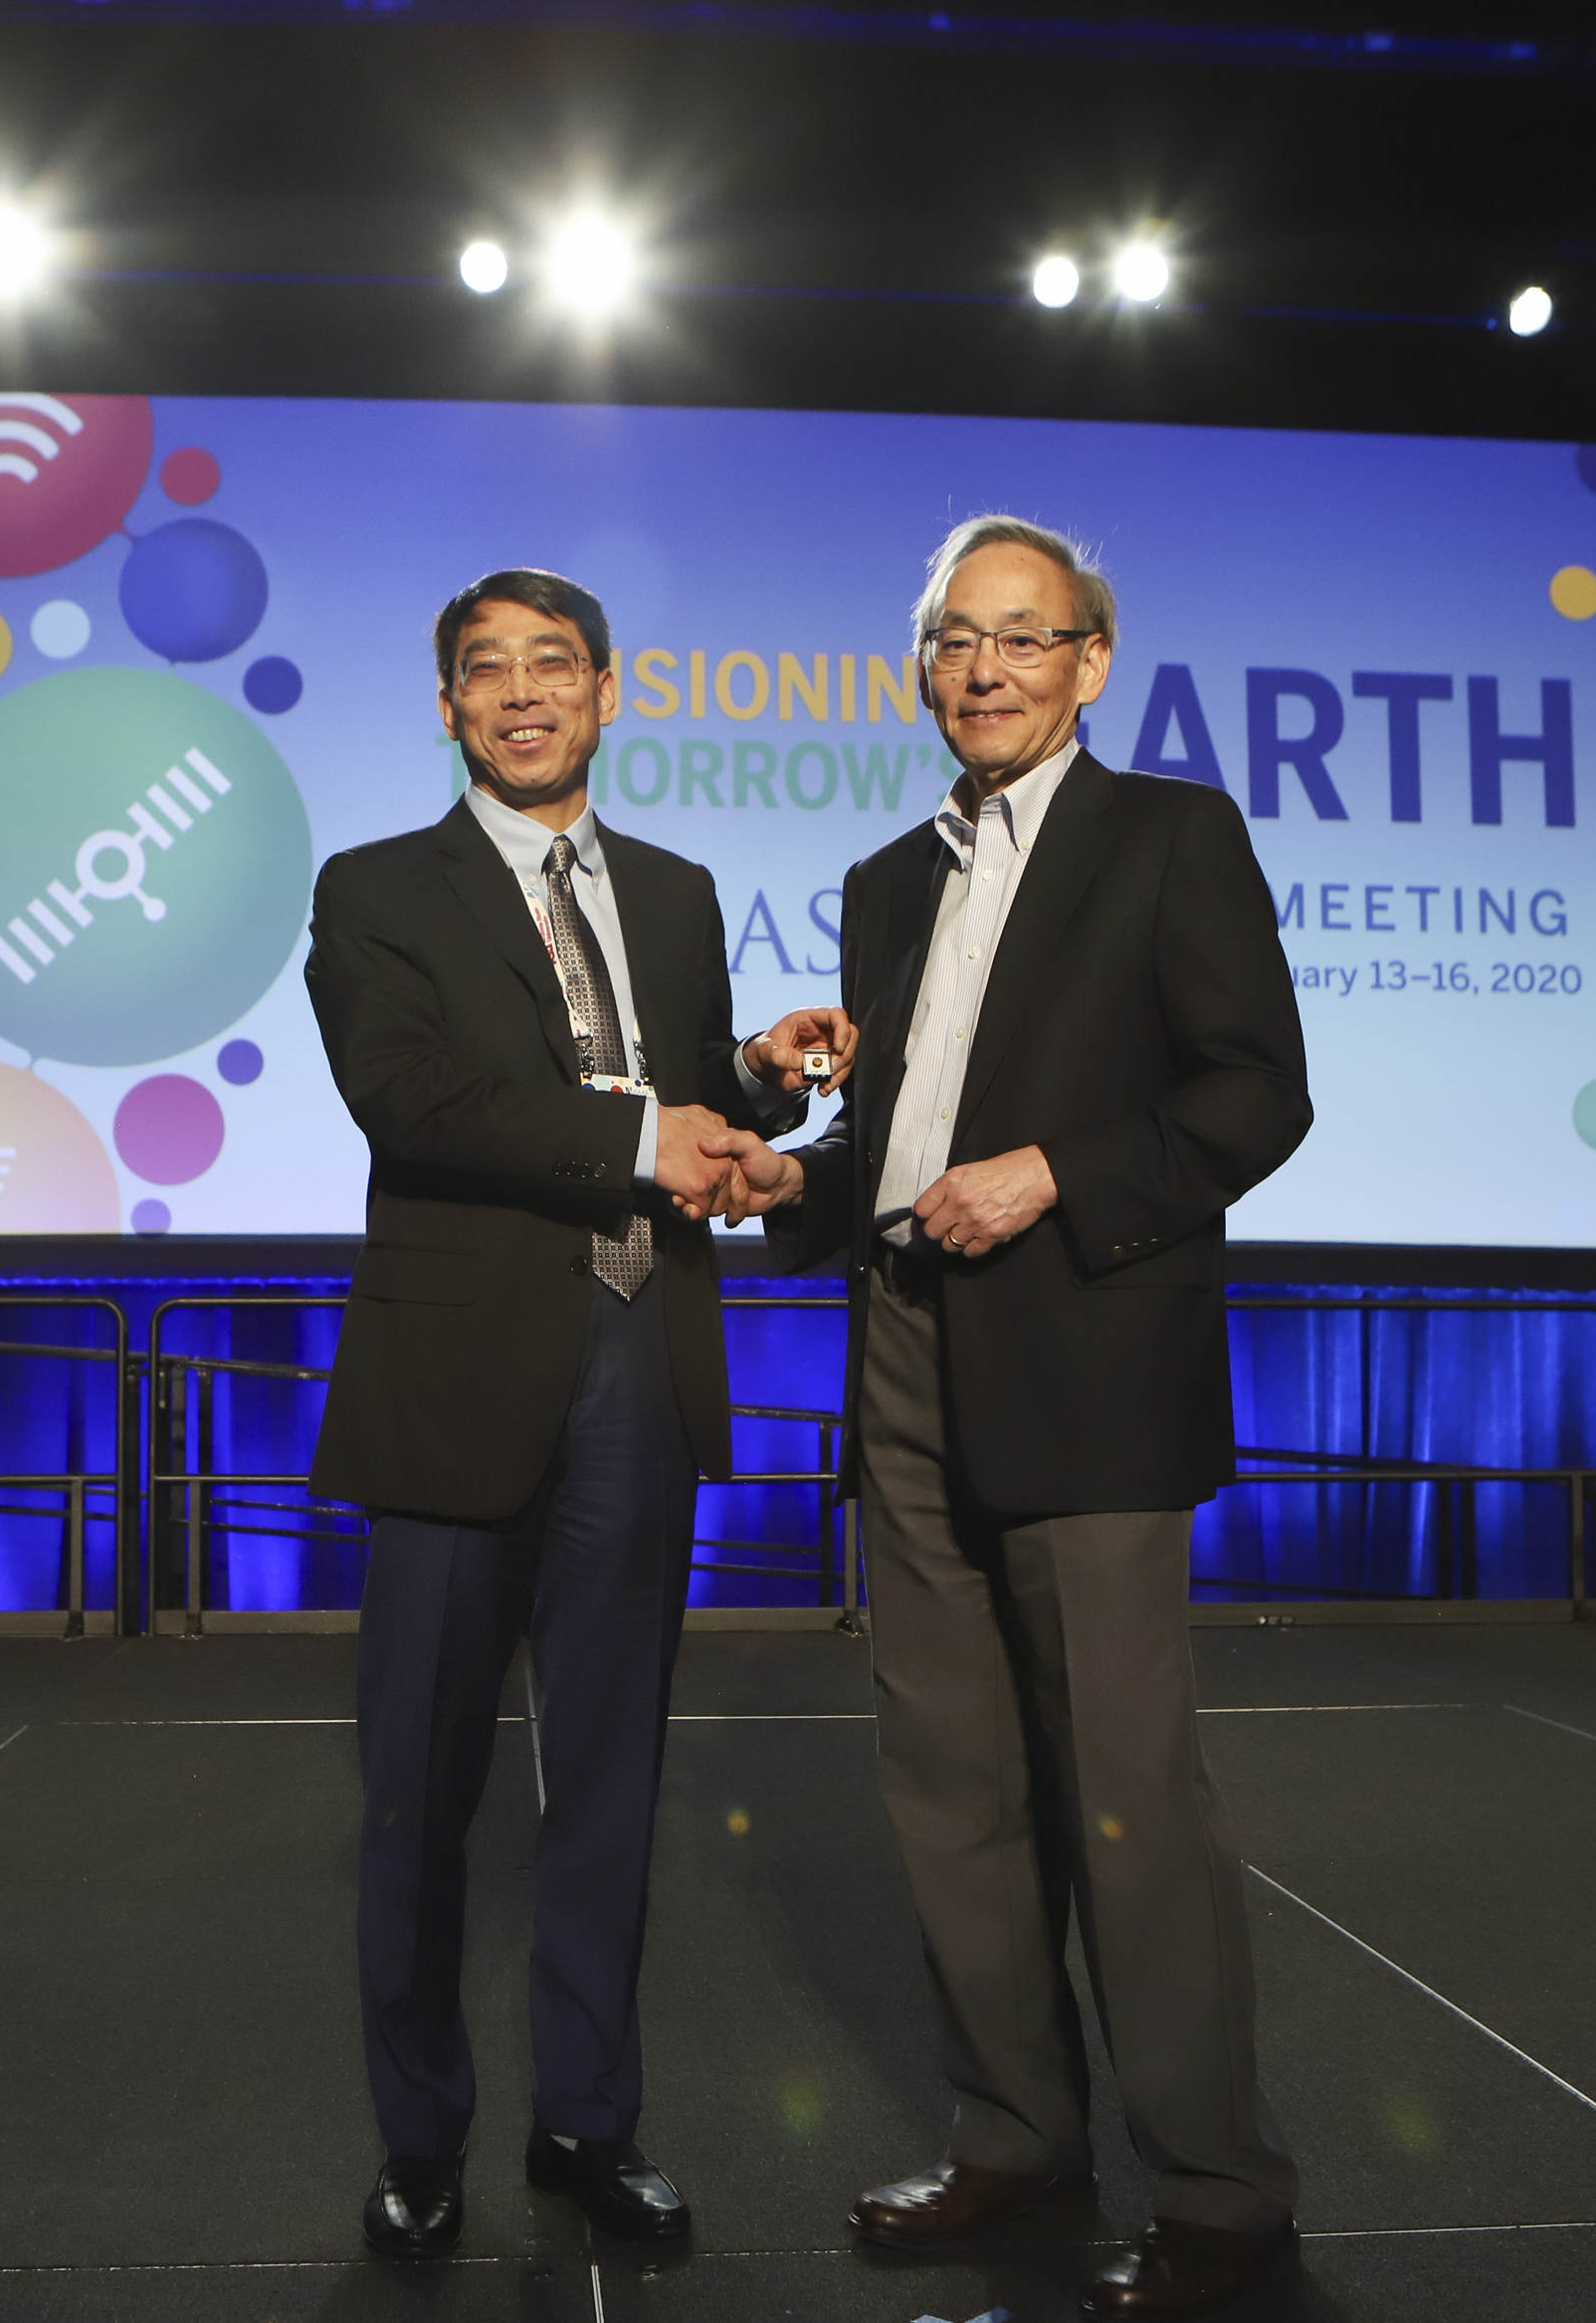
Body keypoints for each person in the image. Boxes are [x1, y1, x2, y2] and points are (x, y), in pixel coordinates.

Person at [714, 516, 1314, 2316]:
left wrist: (1057, 1169)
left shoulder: (1171, 836)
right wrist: (780, 1183)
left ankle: (1215, 2181)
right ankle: (1014, 2137)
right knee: (948, 1780)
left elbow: (1257, 1095)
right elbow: (893, 1157)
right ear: (920, 665)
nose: (985, 668)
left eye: (1023, 637)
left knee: (1129, 1792)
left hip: (1088, 1369)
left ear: (1090, 663)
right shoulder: (891, 879)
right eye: (955, 639)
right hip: (904, 1348)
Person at [306, 566, 858, 2263]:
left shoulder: (679, 891)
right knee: (417, 1795)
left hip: (641, 1364)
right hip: (461, 1380)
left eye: (556, 665)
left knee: (609, 1786)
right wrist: (642, 1136)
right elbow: (410, 1098)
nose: (525, 694)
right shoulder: (378, 887)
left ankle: (587, 2121)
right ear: (452, 707)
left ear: (610, 691)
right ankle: (418, 2140)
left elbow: (673, 1083)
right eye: (490, 672)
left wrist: (759, 1076)